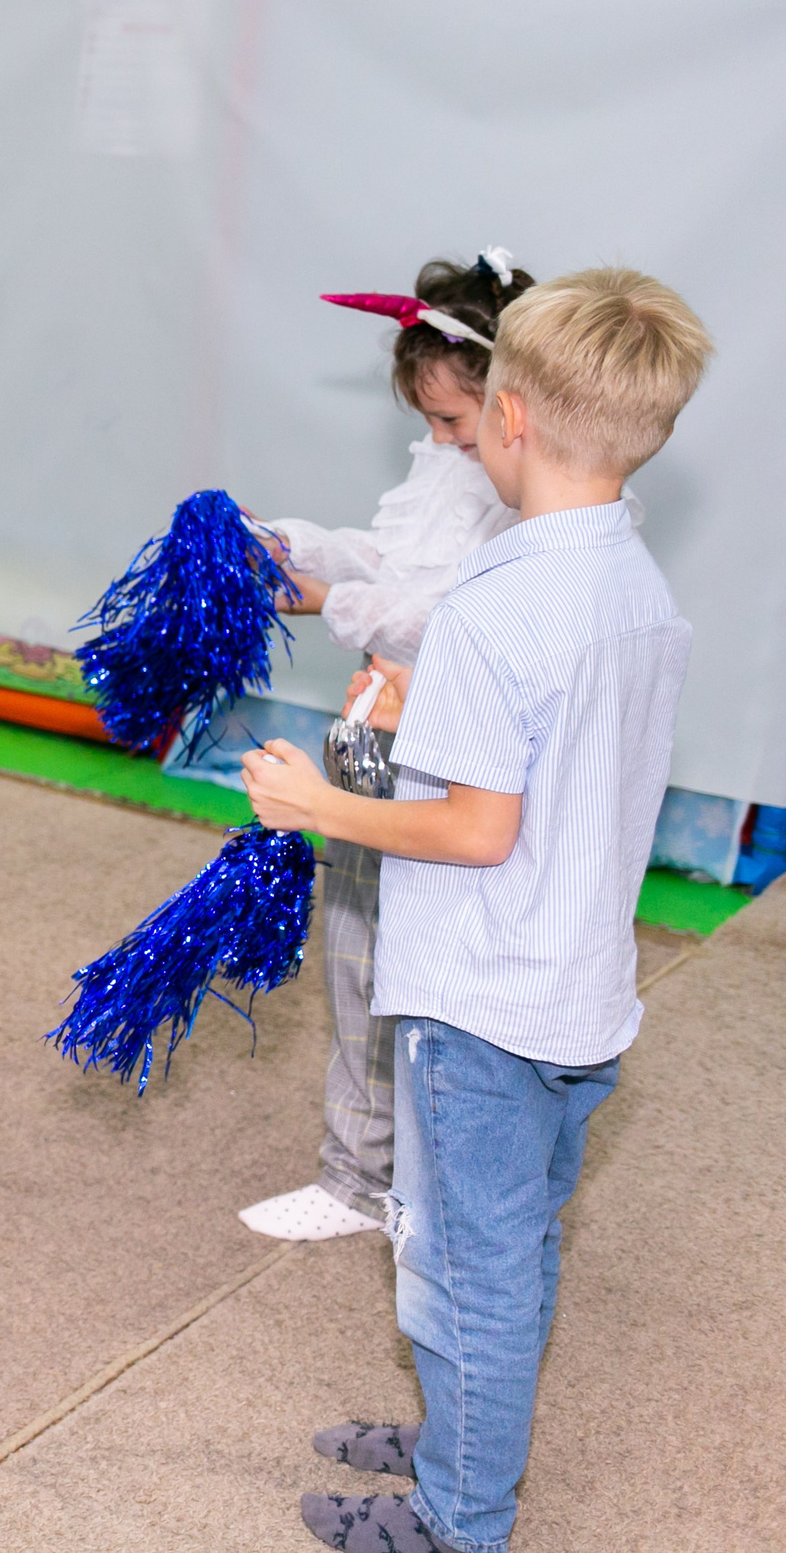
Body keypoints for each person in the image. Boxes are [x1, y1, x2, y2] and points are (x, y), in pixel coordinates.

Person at [242, 269, 710, 1553]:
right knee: (515, 1246)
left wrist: (315, 804)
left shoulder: (500, 607)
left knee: (463, 1270)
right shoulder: (634, 589)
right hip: (578, 994)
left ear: (506, 417)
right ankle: (463, 1433)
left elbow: (469, 826)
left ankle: (459, 1517)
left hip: (481, 1002)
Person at [235, 252, 534, 1244]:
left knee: (445, 981)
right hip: (377, 743)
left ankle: (432, 1182)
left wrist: (337, 600)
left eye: (454, 421)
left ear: (515, 405)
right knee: (359, 958)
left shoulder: (533, 505)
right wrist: (297, 549)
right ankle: (355, 1176)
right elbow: (392, 553)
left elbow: (454, 615)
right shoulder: (450, 464)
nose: (440, 443)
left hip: (456, 768)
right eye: (429, 423)